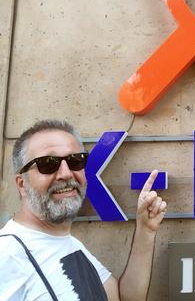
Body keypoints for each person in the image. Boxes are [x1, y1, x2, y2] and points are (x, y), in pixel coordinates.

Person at [0, 119, 167, 301]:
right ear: (21, 184)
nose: (66, 174)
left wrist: (145, 230)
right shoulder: (7, 254)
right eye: (48, 164)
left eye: (75, 161)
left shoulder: (69, 244)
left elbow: (122, 298)